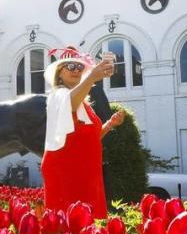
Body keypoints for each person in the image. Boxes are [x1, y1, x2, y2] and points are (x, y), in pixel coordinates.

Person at [40, 46, 126, 218]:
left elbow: (90, 137)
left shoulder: (85, 104)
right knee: (67, 226)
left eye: (80, 67)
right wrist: (93, 76)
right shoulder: (58, 95)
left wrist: (109, 124)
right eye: (70, 66)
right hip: (65, 169)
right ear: (59, 73)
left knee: (85, 225)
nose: (76, 70)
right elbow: (69, 103)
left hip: (85, 170)